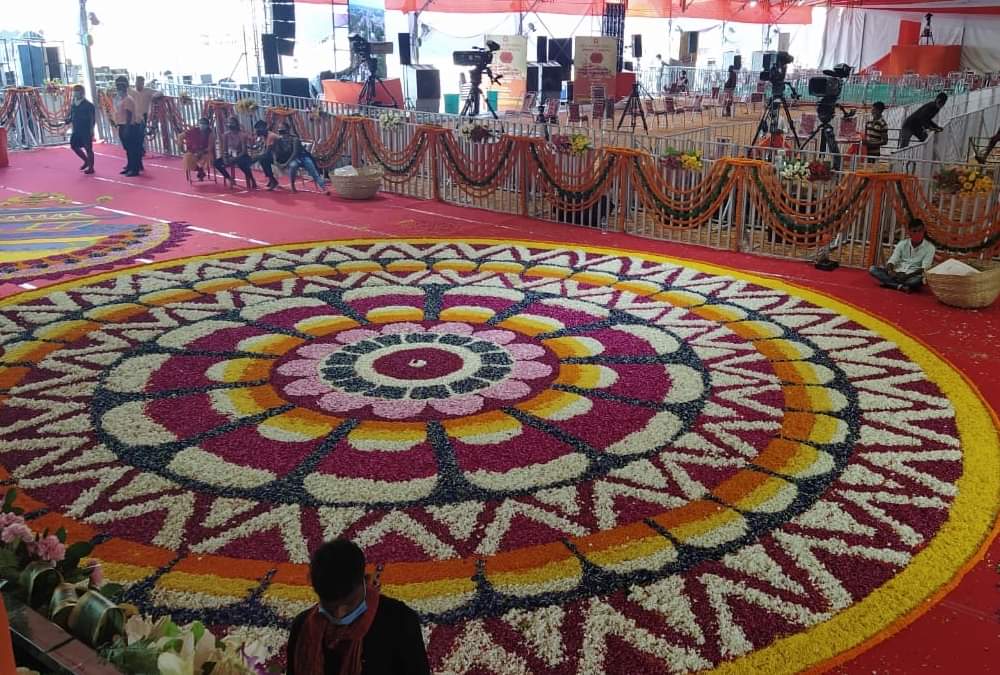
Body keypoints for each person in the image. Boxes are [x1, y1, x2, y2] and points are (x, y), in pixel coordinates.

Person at [286, 539, 430, 675]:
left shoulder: (399, 621)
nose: (339, 614)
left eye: (348, 605)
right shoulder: (302, 627)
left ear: (362, 581)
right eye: (330, 607)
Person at [869, 219, 936, 292]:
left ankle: (890, 284)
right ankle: (900, 286)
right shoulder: (902, 244)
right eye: (914, 231)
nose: (917, 234)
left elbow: (924, 269)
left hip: (912, 276)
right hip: (897, 273)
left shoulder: (930, 248)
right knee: (873, 269)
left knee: (917, 281)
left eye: (920, 231)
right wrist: (891, 272)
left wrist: (906, 276)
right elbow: (892, 260)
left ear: (924, 231)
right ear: (909, 233)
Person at [272, 124, 329, 193]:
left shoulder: (294, 139)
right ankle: (292, 186)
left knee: (312, 169)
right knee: (293, 166)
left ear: (288, 130)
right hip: (293, 159)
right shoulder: (278, 140)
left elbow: (295, 153)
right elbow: (274, 152)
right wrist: (277, 162)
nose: (280, 130)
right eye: (279, 128)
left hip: (303, 157)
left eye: (282, 129)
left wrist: (286, 164)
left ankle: (323, 187)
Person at [215, 117, 257, 189]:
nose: (230, 124)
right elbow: (225, 148)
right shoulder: (226, 135)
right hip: (230, 155)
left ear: (236, 124)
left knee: (242, 164)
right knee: (216, 163)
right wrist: (225, 157)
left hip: (242, 155)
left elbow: (244, 151)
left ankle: (252, 179)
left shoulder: (242, 135)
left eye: (232, 123)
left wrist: (235, 158)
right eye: (229, 122)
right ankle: (229, 178)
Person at [113, 76, 141, 177]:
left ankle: (134, 169)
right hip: (122, 124)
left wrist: (127, 128)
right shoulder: (120, 99)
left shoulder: (128, 99)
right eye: (118, 88)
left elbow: (129, 115)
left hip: (128, 126)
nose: (119, 90)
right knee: (128, 149)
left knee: (132, 149)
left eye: (121, 88)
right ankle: (129, 166)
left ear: (125, 88)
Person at [66, 84, 95, 174]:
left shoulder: (88, 105)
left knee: (88, 149)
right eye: (74, 91)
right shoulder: (73, 103)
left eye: (77, 91)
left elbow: (92, 118)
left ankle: (91, 167)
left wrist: (91, 129)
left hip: (85, 129)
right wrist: (68, 120)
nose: (75, 93)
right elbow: (71, 115)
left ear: (82, 92)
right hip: (76, 129)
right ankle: (86, 160)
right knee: (74, 146)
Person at [129, 76, 157, 173]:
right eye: (138, 82)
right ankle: (138, 156)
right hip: (132, 116)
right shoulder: (131, 92)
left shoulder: (148, 91)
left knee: (139, 137)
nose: (139, 84)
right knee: (134, 139)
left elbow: (159, 92)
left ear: (143, 83)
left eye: (141, 82)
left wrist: (154, 97)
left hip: (143, 116)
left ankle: (140, 152)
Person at [182, 117, 216, 181]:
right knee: (187, 157)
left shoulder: (210, 134)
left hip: (205, 153)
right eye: (201, 123)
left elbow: (210, 147)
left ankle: (201, 169)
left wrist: (202, 152)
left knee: (205, 159)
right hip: (194, 152)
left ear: (207, 125)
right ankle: (199, 170)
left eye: (204, 124)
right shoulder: (194, 131)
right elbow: (181, 136)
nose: (202, 125)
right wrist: (181, 148)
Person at [251, 120, 280, 190]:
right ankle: (272, 179)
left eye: (258, 129)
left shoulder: (271, 136)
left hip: (280, 157)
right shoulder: (265, 136)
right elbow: (264, 150)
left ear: (264, 128)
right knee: (262, 159)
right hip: (274, 155)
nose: (256, 131)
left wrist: (257, 157)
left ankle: (272, 180)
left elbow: (267, 152)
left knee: (263, 159)